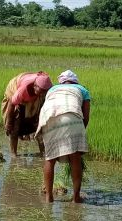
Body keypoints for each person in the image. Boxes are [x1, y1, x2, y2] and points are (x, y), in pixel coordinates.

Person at [36, 70, 91, 203]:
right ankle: (76, 197)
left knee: (50, 158)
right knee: (75, 158)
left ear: (61, 81)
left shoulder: (52, 89)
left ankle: (49, 197)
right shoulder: (82, 90)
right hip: (72, 117)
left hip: (49, 119)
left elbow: (46, 106)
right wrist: (78, 134)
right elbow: (86, 117)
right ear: (75, 81)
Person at [1, 71, 53, 157]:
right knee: (14, 124)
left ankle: (43, 152)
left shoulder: (46, 88)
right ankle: (13, 154)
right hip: (15, 90)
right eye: (41, 91)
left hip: (31, 96)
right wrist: (8, 123)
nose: (43, 94)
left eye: (45, 91)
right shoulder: (23, 90)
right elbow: (11, 102)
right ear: (34, 86)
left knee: (39, 124)